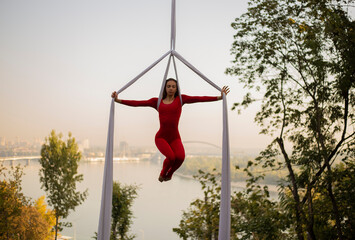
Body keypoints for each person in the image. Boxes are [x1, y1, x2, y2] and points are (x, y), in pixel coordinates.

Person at [111, 78, 230, 182]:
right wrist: (118, 100)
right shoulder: (157, 102)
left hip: (175, 137)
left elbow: (199, 98)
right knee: (171, 157)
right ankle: (163, 174)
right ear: (165, 88)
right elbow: (137, 103)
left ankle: (170, 174)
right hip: (161, 137)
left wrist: (219, 97)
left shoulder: (181, 100)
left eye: (173, 86)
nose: (171, 88)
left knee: (180, 158)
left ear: (176, 88)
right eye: (168, 86)